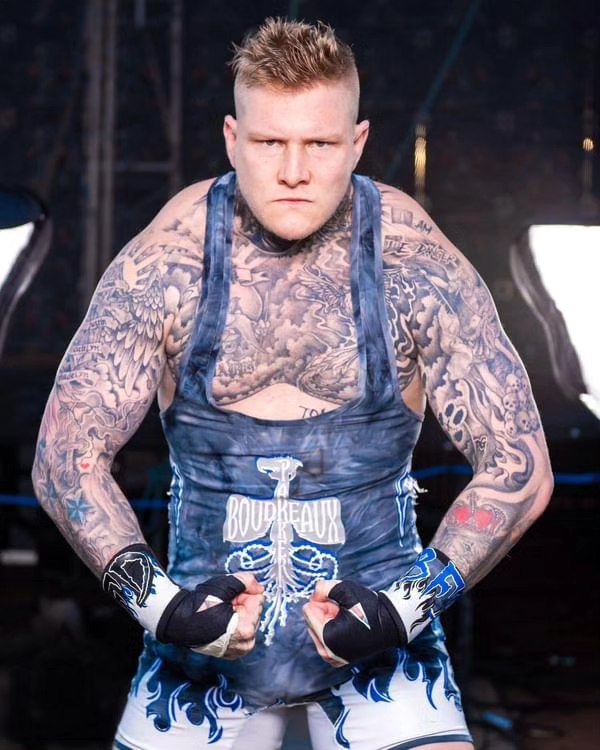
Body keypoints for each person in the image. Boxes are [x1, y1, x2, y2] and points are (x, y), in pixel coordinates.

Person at [32, 17, 553, 750]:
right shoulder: (171, 260)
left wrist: (406, 607)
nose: (294, 171)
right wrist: (163, 608)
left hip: (384, 641)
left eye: (320, 144)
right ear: (232, 139)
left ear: (358, 143)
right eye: (270, 142)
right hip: (198, 650)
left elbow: (519, 467)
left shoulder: (411, 260)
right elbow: (65, 460)